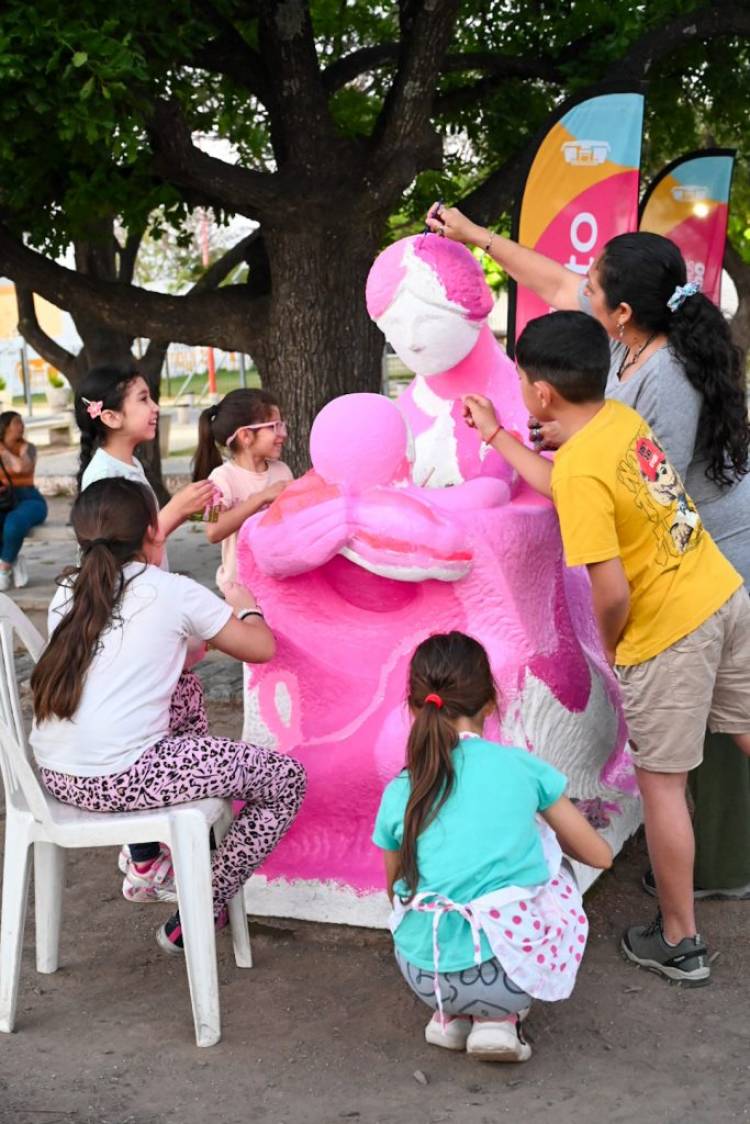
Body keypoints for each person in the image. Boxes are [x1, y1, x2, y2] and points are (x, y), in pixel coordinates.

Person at [425, 203, 750, 900]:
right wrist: (479, 237)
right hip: (703, 579)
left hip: (694, 577)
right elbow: (554, 285)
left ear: (624, 312)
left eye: (592, 286)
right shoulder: (627, 379)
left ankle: (692, 913)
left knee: (674, 772)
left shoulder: (656, 389)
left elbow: (616, 507)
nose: (580, 289)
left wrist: (617, 644)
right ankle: (698, 871)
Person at [462, 310, 750, 986]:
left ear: (541, 393)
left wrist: (617, 650)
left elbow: (611, 591)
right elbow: (570, 481)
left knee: (663, 788)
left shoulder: (581, 469)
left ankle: (679, 939)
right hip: (722, 593)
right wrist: (501, 438)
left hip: (670, 633)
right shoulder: (620, 419)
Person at [29, 477, 306, 953]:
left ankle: (178, 852)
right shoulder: (173, 590)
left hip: (55, 775)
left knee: (183, 687)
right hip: (121, 777)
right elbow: (260, 648)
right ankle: (203, 903)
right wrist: (246, 609)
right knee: (286, 780)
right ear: (154, 531)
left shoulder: (68, 590)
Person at [373, 631, 612, 1063]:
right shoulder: (522, 767)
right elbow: (599, 855)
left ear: (415, 707)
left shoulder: (400, 788)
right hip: (504, 977)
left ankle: (449, 1018)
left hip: (423, 973)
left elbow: (394, 890)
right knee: (554, 863)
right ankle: (499, 1023)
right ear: (490, 702)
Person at [75, 363, 217, 902]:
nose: (154, 406)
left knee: (172, 712)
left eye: (151, 396)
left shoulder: (124, 466)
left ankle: (158, 842)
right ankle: (152, 853)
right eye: (141, 399)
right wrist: (178, 508)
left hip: (139, 607)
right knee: (153, 723)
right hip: (129, 613)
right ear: (109, 416)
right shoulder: (108, 477)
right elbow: (139, 547)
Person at [192, 388, 292, 594]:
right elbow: (212, 531)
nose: (283, 434)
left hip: (279, 586)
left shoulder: (282, 471)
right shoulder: (220, 478)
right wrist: (262, 498)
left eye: (282, 425)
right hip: (241, 591)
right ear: (245, 435)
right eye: (274, 426)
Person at [0, 411, 47, 590]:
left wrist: (3, 449)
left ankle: (4, 567)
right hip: (5, 499)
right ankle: (12, 557)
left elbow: (21, 467)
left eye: (21, 422)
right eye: (17, 423)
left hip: (30, 499)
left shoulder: (29, 448)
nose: (22, 426)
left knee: (14, 523)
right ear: (5, 427)